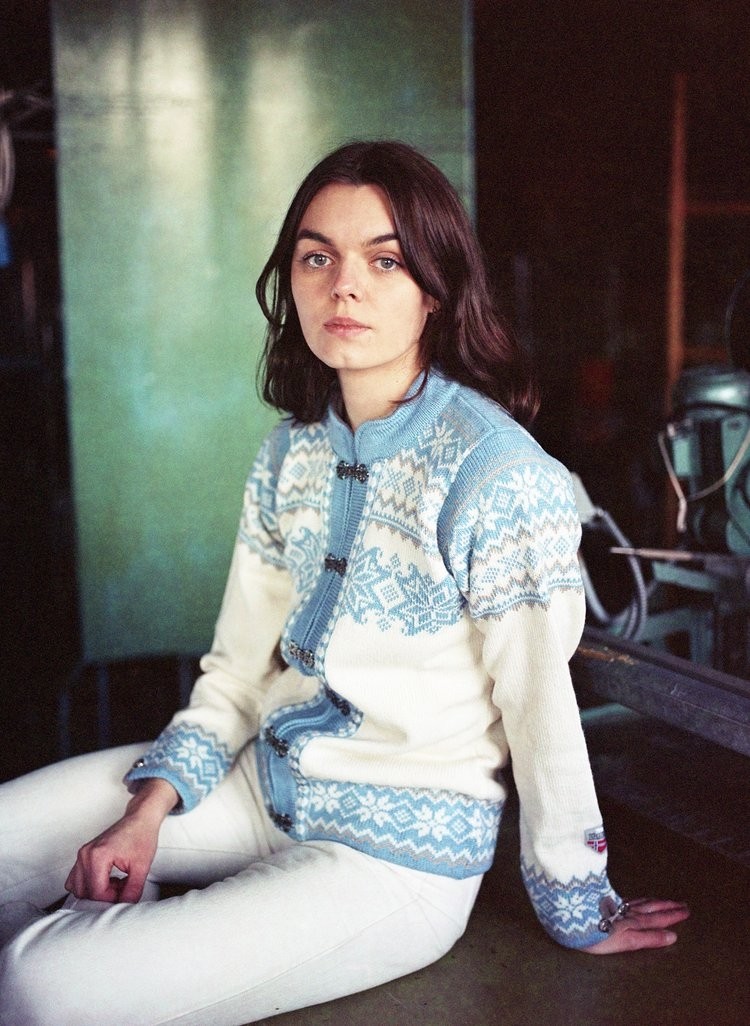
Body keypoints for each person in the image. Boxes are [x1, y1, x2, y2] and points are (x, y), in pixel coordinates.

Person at [0, 140, 688, 1025]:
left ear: (436, 289)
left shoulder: (498, 476)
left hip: (394, 860)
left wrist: (577, 898)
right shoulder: (290, 452)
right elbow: (237, 674)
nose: (344, 287)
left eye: (385, 260)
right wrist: (150, 810)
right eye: (317, 257)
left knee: (42, 984)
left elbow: (538, 705)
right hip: (259, 790)